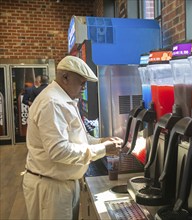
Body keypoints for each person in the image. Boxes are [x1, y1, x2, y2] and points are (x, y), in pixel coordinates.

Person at [22, 55, 123, 220]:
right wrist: (103, 149)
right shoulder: (52, 103)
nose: (84, 88)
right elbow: (58, 151)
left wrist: (100, 141)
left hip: (64, 183)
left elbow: (78, 139)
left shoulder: (64, 100)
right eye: (82, 82)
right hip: (51, 187)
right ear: (65, 77)